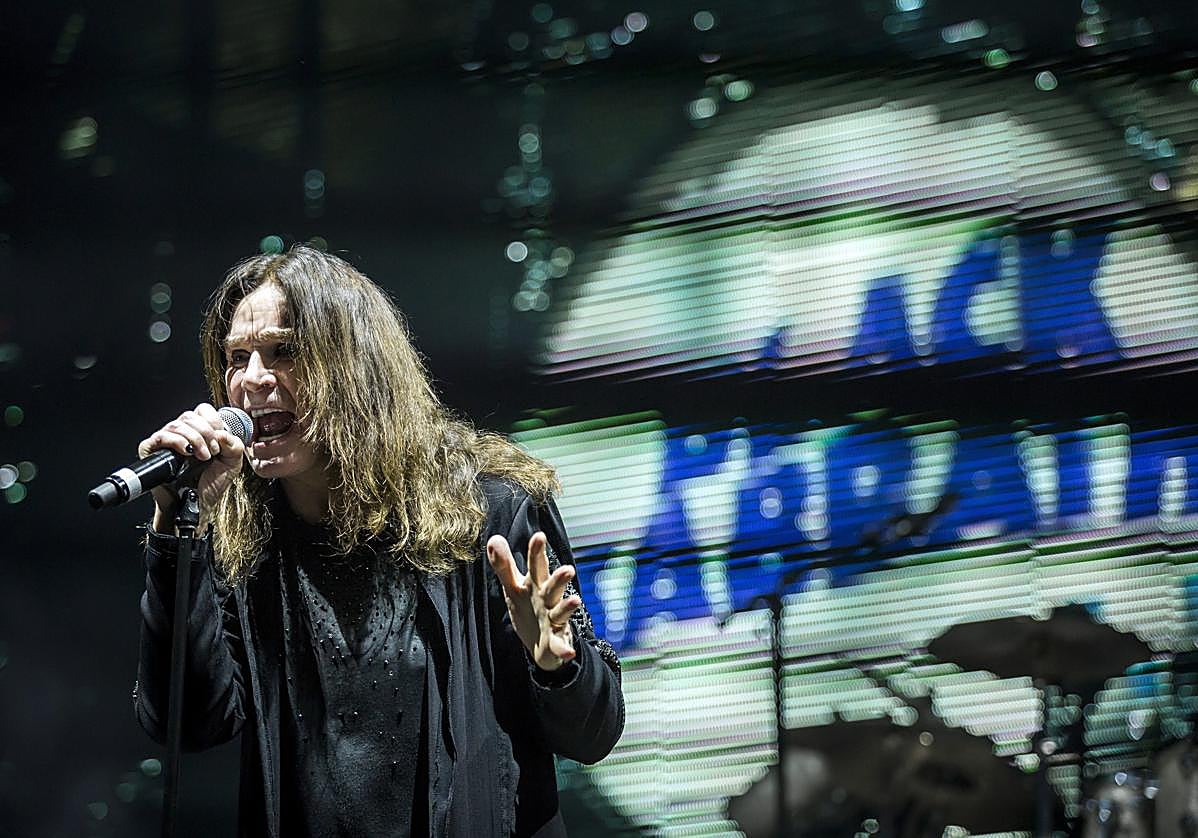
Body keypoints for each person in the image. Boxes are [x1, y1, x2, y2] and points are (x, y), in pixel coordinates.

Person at [132, 245, 624, 837]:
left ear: (354, 366)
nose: (253, 379)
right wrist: (175, 530)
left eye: (283, 352)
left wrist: (555, 668)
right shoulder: (243, 537)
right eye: (237, 358)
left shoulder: (486, 509)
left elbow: (593, 736)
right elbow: (188, 723)